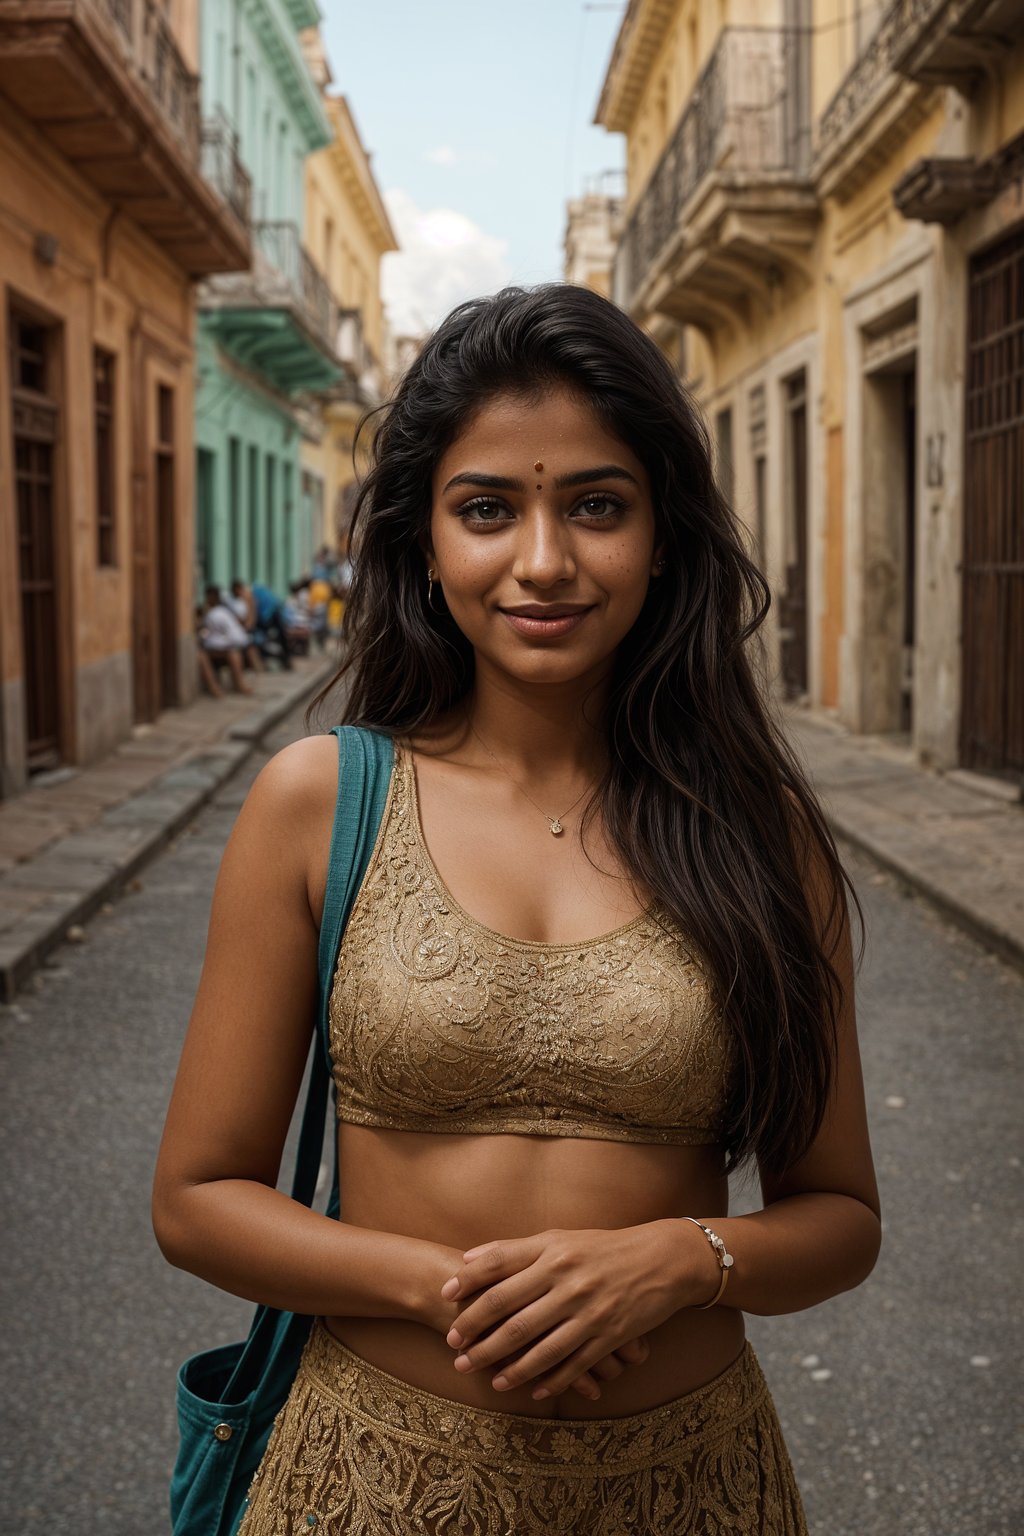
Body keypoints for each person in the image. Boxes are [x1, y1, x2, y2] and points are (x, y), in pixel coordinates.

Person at [154, 284, 880, 1534]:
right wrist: (443, 1286)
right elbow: (197, 1197)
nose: (543, 561)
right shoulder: (321, 804)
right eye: (487, 509)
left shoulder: (756, 834)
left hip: (688, 1491)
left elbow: (841, 1219)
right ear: (426, 544)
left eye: (596, 505)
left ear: (661, 536)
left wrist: (680, 1260)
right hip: (362, 1486)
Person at [197, 585, 254, 696]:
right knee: (232, 653)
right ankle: (238, 685)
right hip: (237, 645)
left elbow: (209, 635)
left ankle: (214, 688)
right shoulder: (225, 611)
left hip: (228, 645)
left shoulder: (214, 614)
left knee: (202, 655)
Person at [251, 581, 293, 670]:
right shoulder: (264, 593)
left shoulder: (256, 593)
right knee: (281, 639)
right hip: (274, 616)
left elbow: (262, 613)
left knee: (262, 640)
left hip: (269, 616)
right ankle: (286, 661)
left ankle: (282, 661)